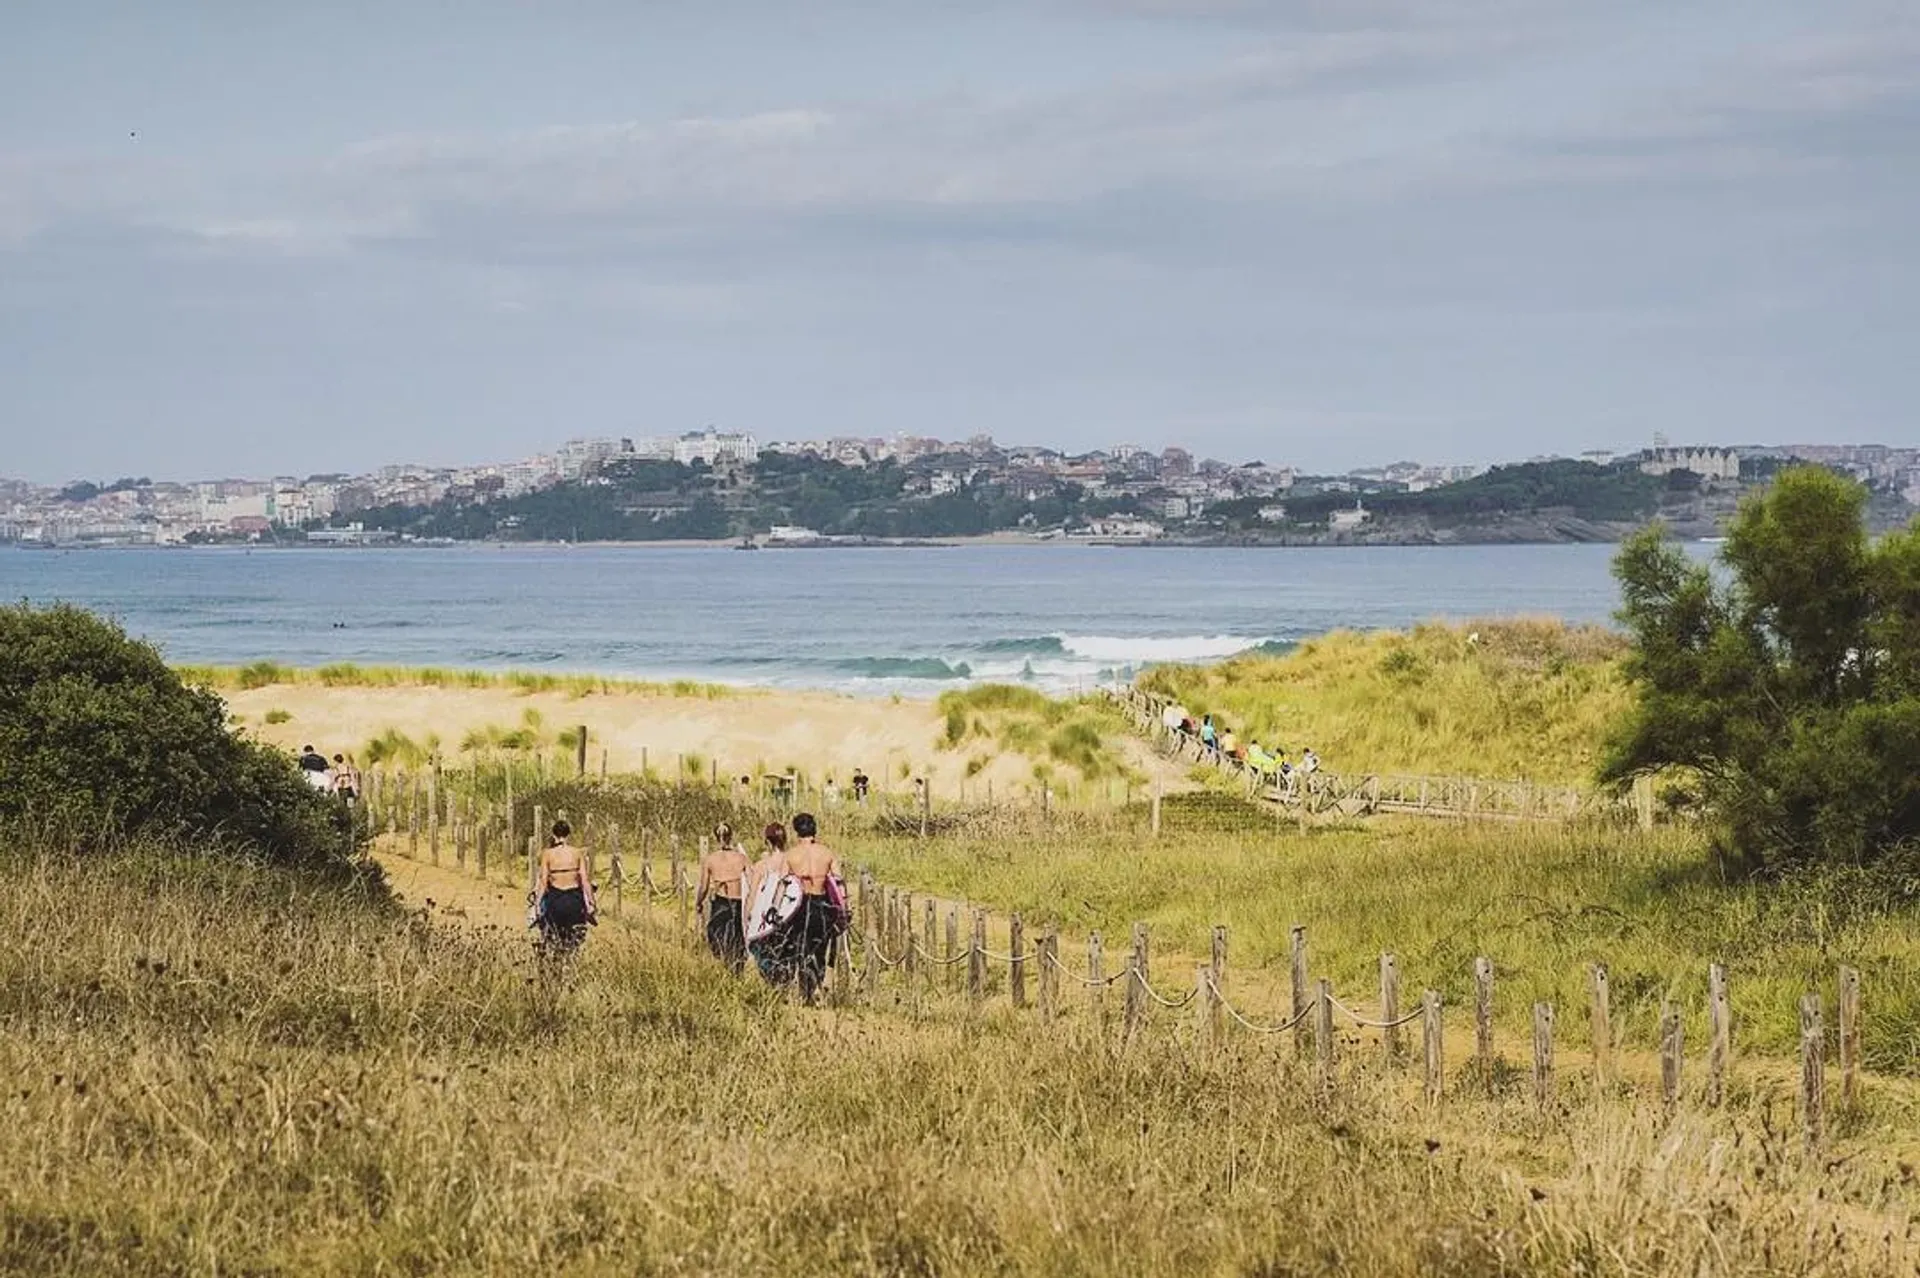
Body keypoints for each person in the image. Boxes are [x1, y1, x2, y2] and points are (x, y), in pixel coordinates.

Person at [783, 812, 848, 1005]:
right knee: (820, 948)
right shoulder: (826, 853)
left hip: (799, 906)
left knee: (800, 947)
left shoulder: (791, 855)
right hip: (821, 904)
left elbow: (782, 884)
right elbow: (839, 882)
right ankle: (814, 989)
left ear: (796, 832)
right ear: (814, 830)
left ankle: (805, 991)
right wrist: (845, 910)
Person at [531, 819, 596, 958]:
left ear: (554, 835)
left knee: (554, 936)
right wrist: (591, 902)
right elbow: (585, 880)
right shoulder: (578, 853)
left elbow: (543, 881)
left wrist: (536, 903)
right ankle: (570, 964)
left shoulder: (547, 854)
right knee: (574, 938)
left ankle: (556, 964)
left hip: (555, 899)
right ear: (568, 835)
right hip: (574, 899)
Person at [696, 822, 751, 974]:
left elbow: (704, 887)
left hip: (721, 902)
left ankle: (728, 969)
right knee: (737, 940)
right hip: (738, 902)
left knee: (718, 938)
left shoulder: (710, 859)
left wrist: (698, 902)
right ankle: (736, 971)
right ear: (731, 836)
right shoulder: (741, 858)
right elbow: (752, 881)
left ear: (716, 838)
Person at [746, 822, 796, 984]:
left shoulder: (761, 866)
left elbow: (752, 894)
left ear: (767, 842)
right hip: (788, 913)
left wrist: (747, 916)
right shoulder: (793, 862)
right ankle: (783, 981)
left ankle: (772, 982)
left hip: (765, 915)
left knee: (762, 950)